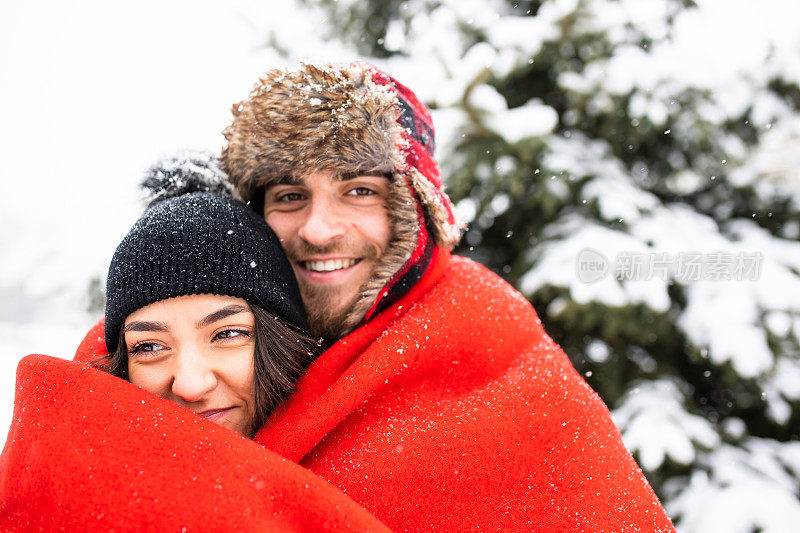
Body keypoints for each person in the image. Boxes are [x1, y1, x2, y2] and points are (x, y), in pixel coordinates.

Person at [218, 61, 678, 531]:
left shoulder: (497, 358)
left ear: (414, 208)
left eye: (358, 190)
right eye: (291, 197)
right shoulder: (229, 342)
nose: (317, 230)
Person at [0, 162, 392, 531]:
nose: (190, 384)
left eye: (226, 334)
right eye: (150, 347)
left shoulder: (369, 469)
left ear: (281, 340)